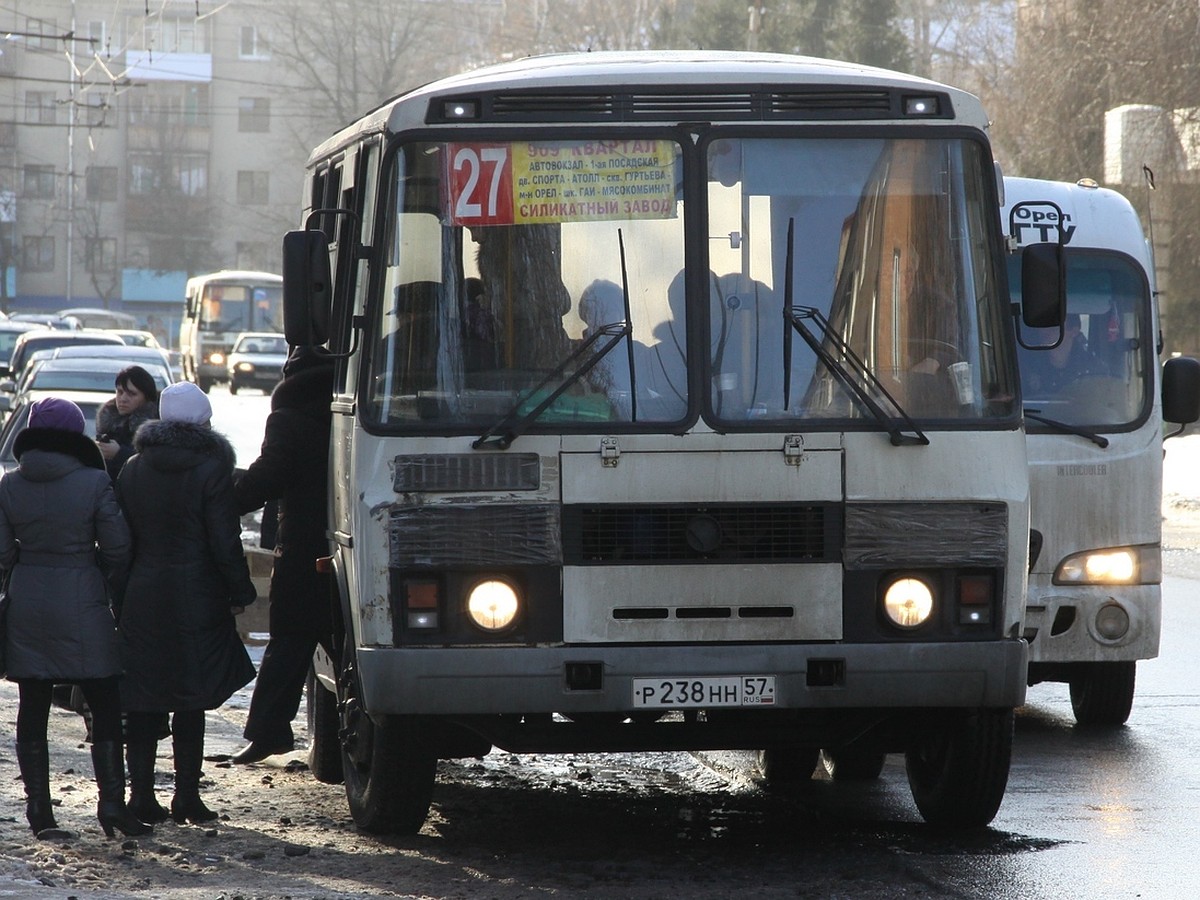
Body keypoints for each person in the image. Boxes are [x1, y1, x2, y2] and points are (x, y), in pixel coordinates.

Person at [0, 398, 150, 839]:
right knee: (104, 697)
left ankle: (41, 814)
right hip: (82, 595)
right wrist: (93, 570)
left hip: (27, 598)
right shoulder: (92, 482)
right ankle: (111, 807)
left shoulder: (9, 484)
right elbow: (119, 547)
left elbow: (3, 552)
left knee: (33, 703)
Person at [115, 381, 257, 824]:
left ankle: (140, 797)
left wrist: (118, 595)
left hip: (143, 593)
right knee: (190, 697)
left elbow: (122, 542)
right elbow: (223, 539)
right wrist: (240, 589)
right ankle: (187, 797)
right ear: (201, 421)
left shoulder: (133, 468)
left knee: (143, 695)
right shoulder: (212, 470)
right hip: (197, 595)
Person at [230, 346, 335, 764]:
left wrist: (225, 500)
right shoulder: (353, 407)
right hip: (352, 543)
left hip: (304, 544)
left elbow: (271, 474)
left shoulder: (289, 417)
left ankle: (269, 732)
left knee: (289, 640)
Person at [96, 365, 160, 481]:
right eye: (120, 392)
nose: (123, 398)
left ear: (146, 397)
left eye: (132, 394)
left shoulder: (156, 430)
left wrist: (119, 454)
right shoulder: (108, 424)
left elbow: (154, 468)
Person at [1022, 313, 1108, 395]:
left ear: (1074, 331)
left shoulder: (1095, 370)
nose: (1045, 330)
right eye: (1043, 325)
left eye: (1053, 325)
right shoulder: (1025, 366)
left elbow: (1101, 406)